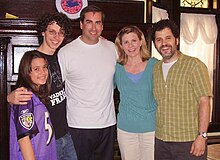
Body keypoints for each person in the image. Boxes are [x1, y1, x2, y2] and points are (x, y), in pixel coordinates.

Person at [7, 13, 77, 160]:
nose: (56, 37)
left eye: (61, 33)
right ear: (43, 32)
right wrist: (8, 98)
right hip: (47, 140)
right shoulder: (32, 60)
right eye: (52, 31)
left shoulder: (61, 57)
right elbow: (22, 92)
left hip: (66, 133)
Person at [58, 5, 117, 160]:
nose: (93, 27)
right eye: (89, 22)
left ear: (102, 26)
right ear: (81, 24)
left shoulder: (112, 48)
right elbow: (53, 88)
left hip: (107, 123)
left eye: (98, 23)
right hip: (78, 125)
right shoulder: (66, 52)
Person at [152, 19, 212, 160]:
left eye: (168, 38)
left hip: (189, 142)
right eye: (159, 40)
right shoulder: (155, 68)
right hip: (162, 141)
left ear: (176, 40)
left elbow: (204, 101)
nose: (164, 43)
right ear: (155, 43)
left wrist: (202, 136)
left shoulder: (194, 65)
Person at [114, 25, 158, 160]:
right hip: (126, 129)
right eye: (126, 42)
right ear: (121, 45)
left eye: (134, 40)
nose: (130, 45)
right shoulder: (117, 67)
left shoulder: (155, 65)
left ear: (141, 41)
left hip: (151, 128)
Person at [10, 50, 57, 159]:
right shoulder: (24, 97)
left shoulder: (36, 96)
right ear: (27, 72)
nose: (43, 72)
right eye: (36, 69)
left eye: (44, 67)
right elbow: (24, 138)